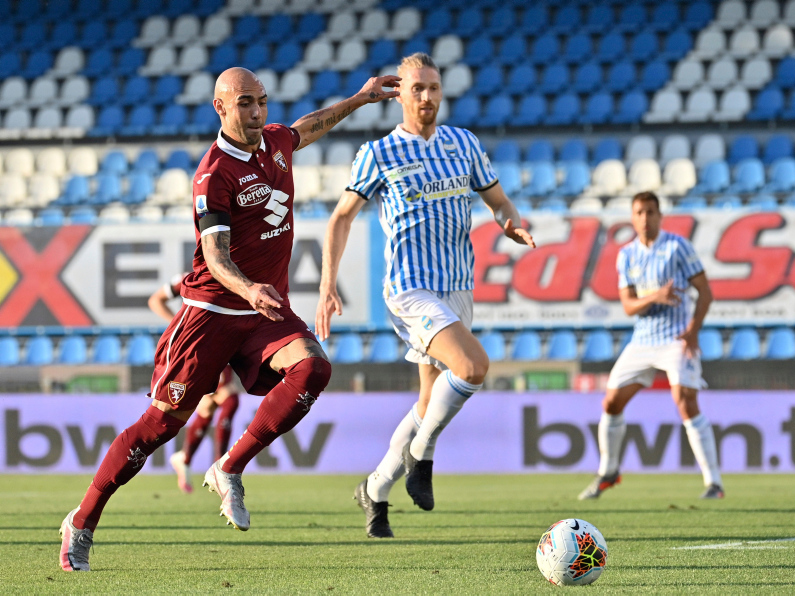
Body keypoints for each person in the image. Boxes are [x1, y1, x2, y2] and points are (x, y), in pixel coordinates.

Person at [59, 66, 400, 571]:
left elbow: (308, 126)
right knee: (158, 427)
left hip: (262, 313)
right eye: (244, 103)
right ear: (220, 107)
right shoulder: (213, 174)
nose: (257, 111)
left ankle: (229, 466)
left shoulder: (275, 142)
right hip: (212, 314)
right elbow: (215, 256)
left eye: (261, 100)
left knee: (313, 368)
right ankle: (82, 521)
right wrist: (249, 288)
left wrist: (361, 98)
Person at [315, 53, 536, 539]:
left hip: (458, 285)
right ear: (399, 94)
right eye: (417, 88)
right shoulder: (379, 154)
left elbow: (499, 201)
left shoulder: (464, 144)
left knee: (427, 400)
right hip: (409, 288)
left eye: (434, 88)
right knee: (473, 367)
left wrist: (511, 224)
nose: (427, 97)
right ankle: (423, 454)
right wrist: (328, 283)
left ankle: (375, 490)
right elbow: (340, 218)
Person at [578, 191, 723, 501]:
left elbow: (705, 292)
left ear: (660, 215)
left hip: (675, 338)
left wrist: (693, 331)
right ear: (632, 218)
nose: (645, 218)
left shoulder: (678, 247)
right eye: (639, 212)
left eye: (650, 212)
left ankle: (714, 483)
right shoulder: (627, 255)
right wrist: (656, 296)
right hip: (642, 341)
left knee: (685, 400)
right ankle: (608, 472)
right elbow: (628, 306)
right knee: (611, 403)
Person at [148, 273, 241, 494]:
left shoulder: (233, 278)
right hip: (196, 348)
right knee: (228, 399)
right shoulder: (190, 278)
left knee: (211, 405)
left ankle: (186, 457)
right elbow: (155, 300)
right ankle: (220, 467)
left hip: (219, 346)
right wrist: (179, 326)